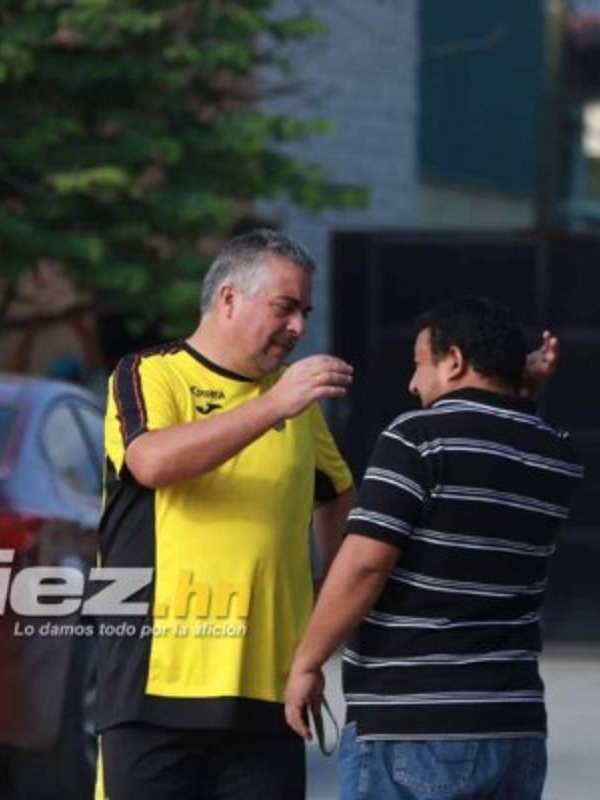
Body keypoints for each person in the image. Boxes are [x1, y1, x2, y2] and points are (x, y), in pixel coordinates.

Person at [284, 296, 583, 800]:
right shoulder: (556, 452)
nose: (412, 383)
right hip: (515, 725)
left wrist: (307, 663)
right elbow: (498, 439)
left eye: (420, 364)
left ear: (455, 361)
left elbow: (365, 563)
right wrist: (519, 385)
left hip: (413, 724)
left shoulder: (418, 438)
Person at [95, 229, 358, 800]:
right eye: (285, 308)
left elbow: (338, 497)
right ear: (230, 298)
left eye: (305, 313)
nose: (298, 329)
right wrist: (272, 406)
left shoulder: (295, 404)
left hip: (267, 697)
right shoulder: (148, 374)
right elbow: (153, 461)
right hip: (154, 692)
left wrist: (322, 626)